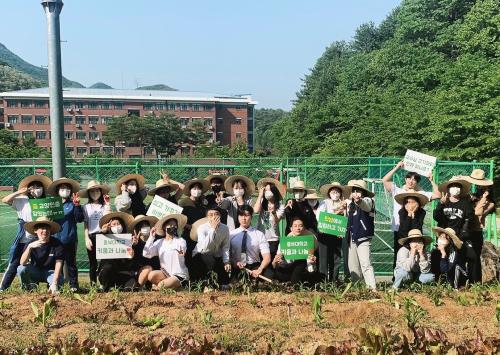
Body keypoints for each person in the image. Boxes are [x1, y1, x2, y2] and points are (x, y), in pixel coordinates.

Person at [382, 161, 440, 271]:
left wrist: (431, 180)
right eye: (409, 178)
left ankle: (415, 277)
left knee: (417, 253)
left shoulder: (420, 194)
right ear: (405, 179)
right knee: (399, 254)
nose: (411, 181)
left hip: (415, 230)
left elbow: (437, 194)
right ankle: (398, 278)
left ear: (417, 182)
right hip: (400, 228)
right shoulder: (397, 190)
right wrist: (397, 167)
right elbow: (385, 180)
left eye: (414, 179)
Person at [0, 175, 52, 291]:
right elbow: (5, 200)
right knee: (14, 262)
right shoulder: (22, 200)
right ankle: (3, 288)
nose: (35, 189)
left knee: (37, 263)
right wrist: (20, 192)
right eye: (32, 187)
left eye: (38, 186)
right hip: (24, 238)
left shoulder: (47, 202)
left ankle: (33, 287)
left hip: (40, 237)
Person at [434, 176, 475, 280]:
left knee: (462, 257)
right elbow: (436, 217)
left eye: (457, 186)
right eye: (452, 186)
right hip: (444, 235)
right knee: (440, 255)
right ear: (448, 189)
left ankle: (459, 280)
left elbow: (469, 219)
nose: (455, 188)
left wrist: (461, 235)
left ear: (461, 190)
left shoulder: (465, 203)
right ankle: (439, 279)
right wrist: (440, 204)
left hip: (458, 236)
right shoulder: (444, 201)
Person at [47, 177, 84, 291]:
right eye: (62, 188)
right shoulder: (52, 204)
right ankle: (55, 284)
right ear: (58, 190)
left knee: (71, 264)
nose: (65, 190)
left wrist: (77, 206)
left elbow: (79, 219)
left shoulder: (73, 204)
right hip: (55, 239)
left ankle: (73, 285)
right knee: (56, 263)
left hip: (69, 238)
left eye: (68, 188)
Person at [16, 217, 64, 294]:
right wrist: (29, 247)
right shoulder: (30, 243)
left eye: (47, 228)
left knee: (59, 281)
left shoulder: (57, 243)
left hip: (50, 272)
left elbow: (59, 263)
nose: (45, 230)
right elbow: (22, 263)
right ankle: (28, 288)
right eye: (42, 228)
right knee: (21, 269)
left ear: (50, 230)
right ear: (35, 230)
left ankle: (52, 288)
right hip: (35, 271)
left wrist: (54, 282)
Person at [463, 169, 495, 283]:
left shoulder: (490, 203)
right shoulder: (470, 197)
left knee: (475, 257)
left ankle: (475, 282)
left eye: (482, 186)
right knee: (464, 256)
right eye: (478, 185)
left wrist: (483, 198)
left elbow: (477, 212)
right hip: (464, 228)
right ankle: (463, 280)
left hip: (475, 231)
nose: (480, 187)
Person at [345, 180, 377, 290]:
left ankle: (372, 288)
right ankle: (357, 288)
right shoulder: (351, 205)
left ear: (363, 192)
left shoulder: (369, 200)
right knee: (353, 265)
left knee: (365, 264)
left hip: (363, 236)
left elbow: (366, 206)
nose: (355, 193)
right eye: (354, 191)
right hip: (352, 237)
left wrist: (359, 201)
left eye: (358, 191)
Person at [144, 214, 190, 290]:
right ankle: (172, 287)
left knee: (160, 285)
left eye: (175, 225)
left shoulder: (181, 241)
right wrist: (151, 237)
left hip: (179, 275)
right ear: (164, 227)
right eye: (170, 225)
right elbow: (146, 253)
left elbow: (182, 250)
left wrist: (181, 252)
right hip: (166, 274)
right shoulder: (159, 242)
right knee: (151, 275)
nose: (173, 227)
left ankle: (175, 285)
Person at [78, 180, 112, 285]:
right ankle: (93, 284)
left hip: (104, 235)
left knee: (104, 262)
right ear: (89, 193)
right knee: (93, 263)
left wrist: (107, 204)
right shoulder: (86, 207)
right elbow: (86, 224)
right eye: (92, 191)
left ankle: (104, 283)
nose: (95, 193)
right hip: (92, 236)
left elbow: (108, 219)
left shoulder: (104, 206)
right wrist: (86, 238)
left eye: (97, 191)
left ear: (101, 192)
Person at [189, 206, 231, 287]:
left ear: (220, 215)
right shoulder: (202, 228)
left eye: (216, 214)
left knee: (225, 282)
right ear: (207, 217)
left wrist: (226, 261)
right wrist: (212, 229)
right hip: (201, 255)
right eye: (210, 215)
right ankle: (205, 283)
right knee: (208, 258)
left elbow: (225, 246)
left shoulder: (225, 228)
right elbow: (204, 247)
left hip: (216, 255)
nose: (214, 217)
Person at [229, 205, 274, 281]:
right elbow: (227, 254)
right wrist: (234, 263)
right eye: (241, 215)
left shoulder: (259, 234)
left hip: (254, 266)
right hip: (237, 266)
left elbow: (267, 257)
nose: (243, 218)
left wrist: (260, 269)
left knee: (270, 276)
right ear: (238, 217)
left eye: (246, 215)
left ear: (251, 217)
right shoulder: (231, 234)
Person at [272, 216, 320, 285]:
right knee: (277, 272)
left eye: (300, 226)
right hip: (287, 269)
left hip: (304, 271)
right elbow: (275, 265)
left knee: (300, 262)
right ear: (291, 228)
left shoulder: (309, 241)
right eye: (295, 226)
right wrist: (275, 261)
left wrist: (312, 262)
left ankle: (295, 284)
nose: (298, 228)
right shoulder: (285, 242)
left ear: (304, 228)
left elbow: (311, 267)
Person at [97, 212, 137, 291]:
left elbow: (129, 261)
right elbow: (96, 242)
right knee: (107, 269)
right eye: (113, 224)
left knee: (131, 286)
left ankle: (121, 287)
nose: (116, 226)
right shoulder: (104, 238)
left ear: (122, 225)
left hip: (122, 273)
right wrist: (102, 231)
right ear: (109, 227)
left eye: (118, 224)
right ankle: (105, 287)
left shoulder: (128, 239)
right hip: (108, 273)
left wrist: (131, 253)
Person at [316, 182, 347, 282]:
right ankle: (323, 281)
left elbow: (345, 220)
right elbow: (320, 217)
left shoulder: (344, 203)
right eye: (333, 192)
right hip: (324, 235)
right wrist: (337, 211)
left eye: (338, 192)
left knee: (336, 259)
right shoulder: (324, 202)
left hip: (337, 235)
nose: (336, 194)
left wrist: (344, 209)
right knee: (324, 259)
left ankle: (334, 281)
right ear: (329, 193)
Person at [178, 178, 210, 265]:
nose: (197, 190)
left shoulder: (203, 202)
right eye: (194, 188)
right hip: (188, 231)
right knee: (187, 252)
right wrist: (188, 226)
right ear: (190, 190)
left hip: (201, 232)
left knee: (200, 252)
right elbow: (180, 218)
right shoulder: (183, 202)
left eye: (199, 188)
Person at [254, 177, 285, 260]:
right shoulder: (262, 203)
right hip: (261, 237)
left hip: (273, 239)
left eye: (269, 190)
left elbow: (276, 221)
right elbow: (256, 210)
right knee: (261, 261)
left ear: (274, 192)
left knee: (271, 261)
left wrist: (274, 212)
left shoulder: (280, 206)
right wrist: (260, 195)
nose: (267, 192)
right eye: (266, 190)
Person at [128, 214, 159, 288]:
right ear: (138, 228)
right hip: (140, 271)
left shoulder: (155, 239)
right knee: (148, 268)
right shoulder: (133, 241)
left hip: (154, 271)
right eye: (142, 226)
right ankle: (138, 287)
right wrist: (134, 245)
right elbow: (130, 259)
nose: (145, 228)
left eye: (146, 225)